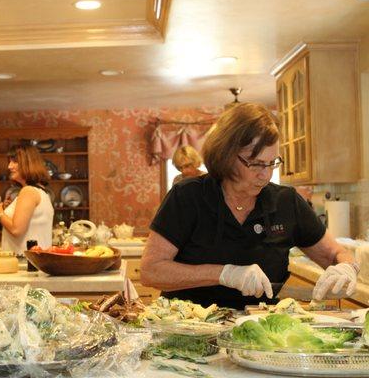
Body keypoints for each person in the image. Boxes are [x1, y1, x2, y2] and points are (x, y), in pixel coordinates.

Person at [140, 103, 358, 309]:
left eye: (272, 163)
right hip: (189, 331)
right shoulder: (187, 197)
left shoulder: (286, 202)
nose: (265, 174)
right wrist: (225, 274)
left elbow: (334, 254)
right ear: (225, 155)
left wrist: (346, 267)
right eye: (255, 163)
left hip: (259, 334)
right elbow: (152, 271)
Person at [0, 145, 54, 255]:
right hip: (36, 259)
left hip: (25, 260)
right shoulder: (41, 191)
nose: (9, 166)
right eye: (9, 162)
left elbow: (16, 230)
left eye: (14, 162)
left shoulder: (28, 191)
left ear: (28, 163)